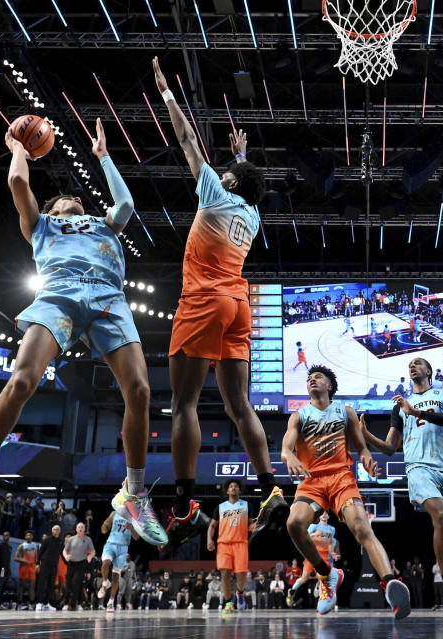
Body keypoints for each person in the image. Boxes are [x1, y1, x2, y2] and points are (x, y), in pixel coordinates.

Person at [0, 120, 166, 548]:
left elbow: (127, 203)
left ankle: (133, 494)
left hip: (108, 299)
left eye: (77, 197)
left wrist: (104, 157)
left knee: (141, 392)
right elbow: (19, 181)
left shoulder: (103, 224)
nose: (74, 197)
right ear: (54, 210)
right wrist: (18, 146)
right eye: (65, 199)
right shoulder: (41, 225)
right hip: (57, 298)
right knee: (22, 380)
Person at [151, 57, 287, 549]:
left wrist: (168, 94)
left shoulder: (216, 192)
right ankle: (272, 488)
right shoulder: (251, 215)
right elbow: (246, 180)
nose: (223, 172)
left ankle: (186, 502)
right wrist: (244, 158)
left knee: (183, 402)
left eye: (230, 171)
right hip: (238, 303)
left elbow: (188, 141)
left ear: (230, 181)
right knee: (238, 404)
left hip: (204, 300)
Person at [282, 365, 411, 618]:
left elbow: (362, 449)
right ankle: (326, 575)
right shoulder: (298, 416)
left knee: (362, 528)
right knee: (294, 524)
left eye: (317, 377)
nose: (312, 380)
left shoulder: (346, 411)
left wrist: (367, 459)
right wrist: (288, 456)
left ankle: (390, 586)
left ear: (329, 386)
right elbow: (287, 446)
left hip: (341, 478)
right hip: (312, 480)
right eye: (309, 378)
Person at [361, 357, 443, 622]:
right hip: (418, 467)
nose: (412, 366)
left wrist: (416, 413)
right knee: (439, 516)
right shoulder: (400, 405)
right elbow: (391, 448)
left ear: (428, 371)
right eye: (410, 365)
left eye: (418, 363)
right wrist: (367, 437)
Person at [207, 479, 254, 612]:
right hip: (224, 544)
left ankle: (239, 593)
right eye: (231, 486)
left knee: (241, 574)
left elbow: (250, 524)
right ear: (227, 491)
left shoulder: (247, 505)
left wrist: (253, 527)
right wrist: (209, 540)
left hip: (241, 543)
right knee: (225, 573)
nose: (233, 488)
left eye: (236, 486)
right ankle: (228, 603)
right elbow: (212, 526)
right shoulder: (221, 507)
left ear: (239, 490)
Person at [287, 511, 340, 607]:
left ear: (328, 516)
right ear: (319, 516)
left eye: (326, 514)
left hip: (325, 558)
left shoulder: (332, 529)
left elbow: (331, 543)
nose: (324, 515)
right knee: (304, 578)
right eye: (322, 514)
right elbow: (304, 536)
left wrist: (332, 553)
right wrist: (315, 534)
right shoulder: (313, 526)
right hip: (313, 555)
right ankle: (291, 591)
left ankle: (322, 601)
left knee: (324, 579)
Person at [97, 511, 139, 612]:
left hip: (123, 547)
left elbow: (137, 537)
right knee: (105, 563)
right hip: (110, 544)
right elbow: (103, 530)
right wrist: (105, 524)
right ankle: (105, 582)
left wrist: (131, 529)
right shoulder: (114, 513)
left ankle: (111, 602)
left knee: (116, 576)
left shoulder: (134, 516)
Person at [63, 522, 96, 610]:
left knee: (76, 583)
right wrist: (66, 556)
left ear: (84, 529)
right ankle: (66, 603)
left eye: (82, 527)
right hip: (71, 564)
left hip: (81, 564)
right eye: (79, 527)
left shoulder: (88, 539)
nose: (80, 528)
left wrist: (90, 556)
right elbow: (65, 550)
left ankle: (75, 604)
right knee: (68, 584)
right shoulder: (71, 539)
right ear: (76, 529)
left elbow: (93, 551)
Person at [36, 524, 64, 611]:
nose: (56, 531)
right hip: (45, 564)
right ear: (52, 531)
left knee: (51, 585)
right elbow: (40, 552)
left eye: (58, 529)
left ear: (60, 531)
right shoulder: (47, 540)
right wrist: (37, 563)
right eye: (55, 529)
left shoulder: (60, 541)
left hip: (54, 566)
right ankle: (39, 603)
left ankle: (46, 603)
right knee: (42, 584)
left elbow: (62, 554)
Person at [14, 529, 38, 608]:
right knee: (21, 586)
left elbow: (37, 558)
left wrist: (37, 565)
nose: (29, 536)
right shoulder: (21, 545)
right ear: (25, 536)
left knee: (32, 586)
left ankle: (31, 603)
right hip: (23, 567)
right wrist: (25, 561)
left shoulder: (35, 545)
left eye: (30, 535)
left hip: (32, 568)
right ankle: (19, 603)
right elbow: (15, 558)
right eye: (27, 535)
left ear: (32, 537)